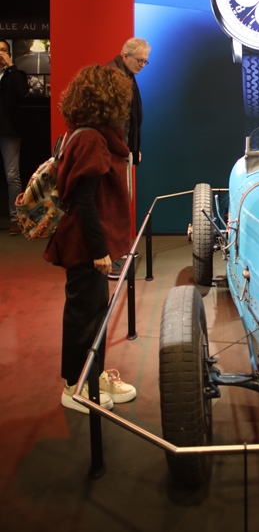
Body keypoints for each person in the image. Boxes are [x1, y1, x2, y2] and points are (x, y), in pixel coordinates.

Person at [43, 64, 137, 413]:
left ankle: (92, 376)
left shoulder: (85, 134)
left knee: (95, 311)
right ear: (107, 101)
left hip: (88, 241)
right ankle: (74, 386)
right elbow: (84, 200)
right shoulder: (92, 139)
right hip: (84, 244)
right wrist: (99, 251)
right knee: (83, 316)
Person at [106, 37, 151, 279]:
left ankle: (116, 251)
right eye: (139, 60)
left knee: (121, 203)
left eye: (145, 62)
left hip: (122, 151)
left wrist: (133, 148)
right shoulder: (113, 76)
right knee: (113, 205)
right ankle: (109, 257)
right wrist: (124, 149)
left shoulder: (126, 75)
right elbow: (113, 122)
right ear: (125, 55)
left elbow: (130, 120)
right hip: (113, 154)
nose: (142, 65)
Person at [0, 39, 29, 235]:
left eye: (3, 50)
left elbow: (22, 91)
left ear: (9, 54)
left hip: (9, 132)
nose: (0, 54)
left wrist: (11, 66)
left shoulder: (16, 75)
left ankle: (15, 218)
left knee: (12, 176)